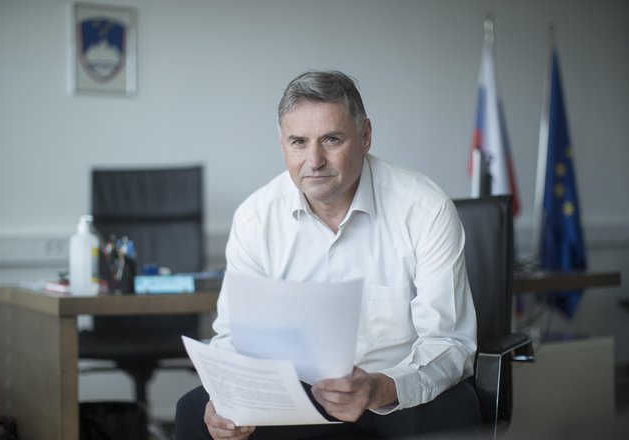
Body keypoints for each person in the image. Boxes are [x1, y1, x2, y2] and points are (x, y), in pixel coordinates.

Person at [175, 70, 481, 439]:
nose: (314, 160)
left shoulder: (424, 208)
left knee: (449, 414)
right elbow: (232, 336)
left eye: (331, 139)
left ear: (365, 136)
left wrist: (381, 388)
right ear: (282, 145)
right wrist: (230, 398)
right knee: (196, 411)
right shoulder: (255, 218)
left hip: (397, 389)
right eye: (299, 142)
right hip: (299, 393)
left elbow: (449, 343)